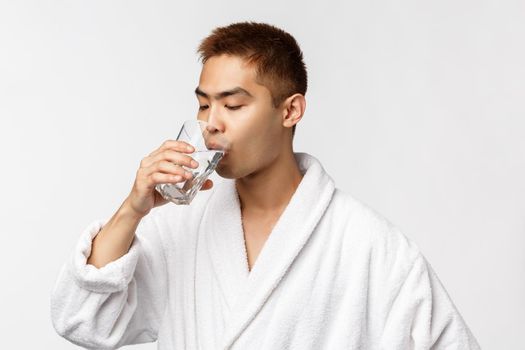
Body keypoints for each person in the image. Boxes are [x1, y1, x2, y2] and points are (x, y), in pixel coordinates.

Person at [50, 21, 481, 349]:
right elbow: (84, 320)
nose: (211, 124)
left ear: (290, 110)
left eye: (233, 105)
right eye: (203, 104)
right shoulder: (182, 227)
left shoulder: (369, 245)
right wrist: (133, 209)